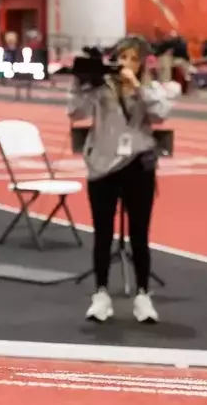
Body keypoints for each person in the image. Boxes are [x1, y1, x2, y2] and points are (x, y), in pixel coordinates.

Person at [69, 36, 170, 324]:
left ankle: (143, 296)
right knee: (102, 233)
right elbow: (75, 112)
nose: (127, 63)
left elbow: (161, 115)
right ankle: (101, 294)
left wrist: (137, 87)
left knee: (140, 234)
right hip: (103, 167)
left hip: (138, 166)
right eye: (123, 57)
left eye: (134, 59)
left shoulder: (150, 88)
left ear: (142, 65)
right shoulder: (101, 87)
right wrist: (81, 83)